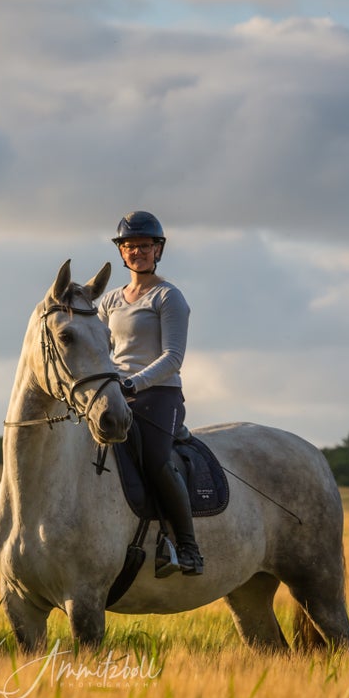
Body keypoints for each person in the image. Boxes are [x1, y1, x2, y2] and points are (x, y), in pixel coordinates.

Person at [98, 211, 204, 576]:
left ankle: (188, 548)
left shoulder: (168, 297)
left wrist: (131, 383)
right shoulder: (110, 301)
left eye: (144, 245)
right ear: (121, 252)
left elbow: (173, 357)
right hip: (115, 394)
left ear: (158, 249)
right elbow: (97, 348)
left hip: (159, 396)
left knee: (156, 461)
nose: (137, 252)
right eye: (130, 246)